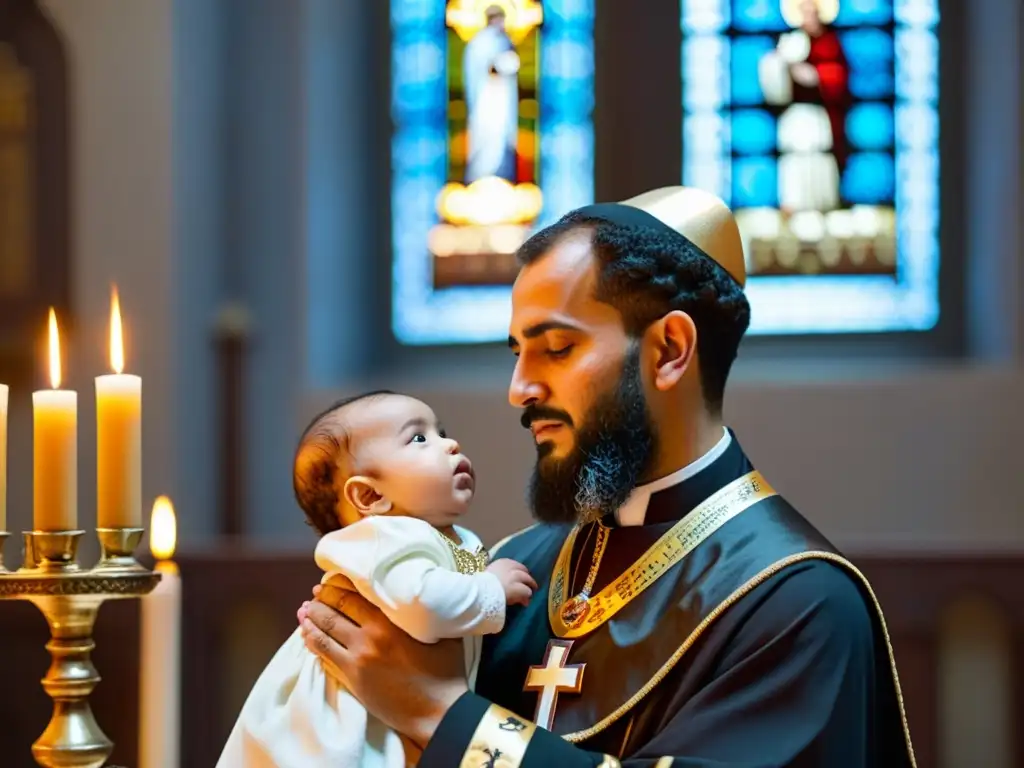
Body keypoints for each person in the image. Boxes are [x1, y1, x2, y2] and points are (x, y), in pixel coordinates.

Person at [297, 186, 917, 767]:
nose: (519, 390)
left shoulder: (796, 601)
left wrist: (439, 713)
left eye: (557, 349)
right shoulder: (509, 570)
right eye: (518, 353)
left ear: (669, 350)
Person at [217, 391, 537, 768]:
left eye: (441, 432)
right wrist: (492, 588)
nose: (450, 444)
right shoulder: (384, 538)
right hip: (338, 719)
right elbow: (425, 605)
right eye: (419, 438)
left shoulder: (437, 536)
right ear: (369, 495)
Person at [758, 0, 851, 213]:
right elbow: (774, 81)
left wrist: (814, 76)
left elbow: (837, 75)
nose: (808, 17)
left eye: (812, 11)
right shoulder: (791, 41)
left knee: (818, 163)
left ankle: (823, 208)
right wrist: (778, 63)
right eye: (803, 11)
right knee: (794, 165)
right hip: (794, 116)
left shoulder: (829, 42)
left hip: (818, 115)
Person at [462, 4, 520, 184]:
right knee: (486, 135)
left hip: (502, 96)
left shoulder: (505, 41)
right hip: (486, 98)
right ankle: (481, 174)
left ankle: (502, 172)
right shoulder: (479, 42)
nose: (502, 23)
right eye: (498, 19)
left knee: (501, 136)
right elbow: (478, 70)